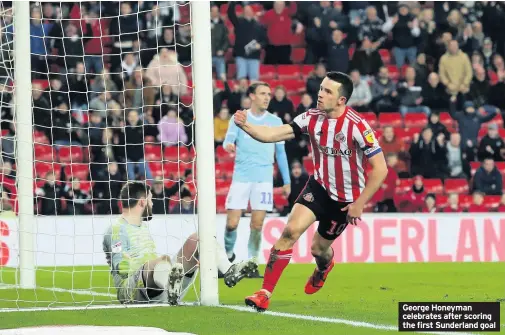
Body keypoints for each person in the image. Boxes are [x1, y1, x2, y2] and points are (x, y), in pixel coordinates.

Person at [233, 72, 388, 311]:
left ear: (341, 100)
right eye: (321, 88)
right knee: (290, 231)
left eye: (327, 91)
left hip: (344, 201)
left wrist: (360, 203)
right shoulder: (310, 118)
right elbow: (273, 134)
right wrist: (245, 125)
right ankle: (264, 293)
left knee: (318, 249)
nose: (320, 93)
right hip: (318, 187)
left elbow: (380, 169)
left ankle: (324, 267)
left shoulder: (357, 126)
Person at [103, 182, 258, 305]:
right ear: (142, 202)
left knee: (198, 238)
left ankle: (228, 270)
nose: (152, 203)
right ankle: (170, 285)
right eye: (150, 200)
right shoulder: (117, 229)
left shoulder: (141, 225)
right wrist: (123, 264)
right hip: (132, 293)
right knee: (161, 261)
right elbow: (119, 264)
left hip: (158, 286)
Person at [223, 82, 291, 278]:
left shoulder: (276, 122)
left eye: (269, 94)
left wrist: (286, 181)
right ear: (252, 96)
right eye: (262, 93)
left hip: (263, 179)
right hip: (242, 177)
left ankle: (252, 263)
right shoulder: (240, 117)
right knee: (232, 224)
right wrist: (228, 145)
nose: (267, 97)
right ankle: (228, 255)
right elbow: (229, 138)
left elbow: (281, 154)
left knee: (257, 225)